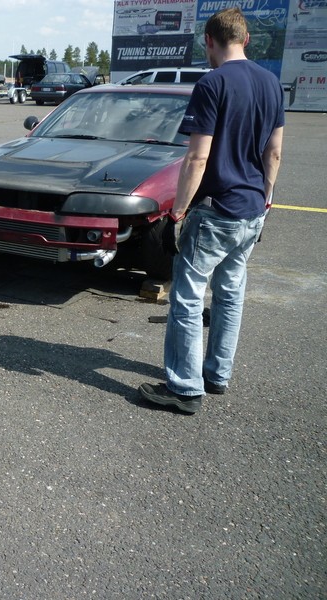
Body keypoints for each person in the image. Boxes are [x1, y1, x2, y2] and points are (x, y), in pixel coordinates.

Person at [139, 7, 284, 414]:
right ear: (247, 39)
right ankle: (217, 375)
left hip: (215, 210)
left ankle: (184, 388)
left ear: (209, 41)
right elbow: (274, 152)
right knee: (230, 294)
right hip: (252, 208)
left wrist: (177, 213)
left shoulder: (212, 84)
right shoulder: (271, 84)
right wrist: (266, 198)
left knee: (186, 297)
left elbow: (196, 160)